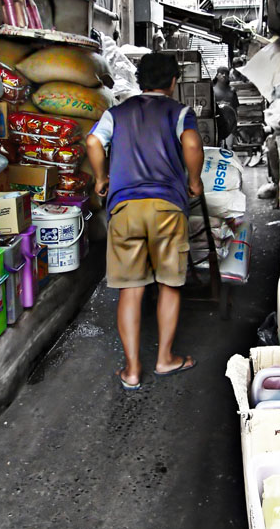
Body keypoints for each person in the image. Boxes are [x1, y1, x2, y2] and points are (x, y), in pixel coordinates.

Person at [86, 52, 205, 391]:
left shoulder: (117, 112)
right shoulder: (180, 112)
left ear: (140, 81)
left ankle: (133, 370)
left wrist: (100, 178)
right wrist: (194, 182)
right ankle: (165, 358)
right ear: (172, 82)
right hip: (167, 206)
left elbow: (94, 141)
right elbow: (193, 143)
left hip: (125, 208)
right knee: (169, 283)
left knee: (131, 289)